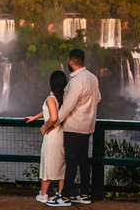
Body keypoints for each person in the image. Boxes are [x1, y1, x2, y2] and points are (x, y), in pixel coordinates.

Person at [44, 49, 101, 207]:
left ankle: (65, 197)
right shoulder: (92, 78)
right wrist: (86, 109)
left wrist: (51, 124)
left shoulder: (76, 81)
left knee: (70, 163)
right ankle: (84, 194)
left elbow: (67, 107)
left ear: (71, 61)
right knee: (83, 161)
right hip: (87, 126)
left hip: (74, 128)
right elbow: (98, 98)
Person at [25, 70, 68, 203]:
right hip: (61, 134)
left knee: (47, 163)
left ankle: (43, 194)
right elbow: (49, 112)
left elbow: (53, 117)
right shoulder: (62, 99)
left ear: (50, 84)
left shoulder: (50, 98)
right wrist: (36, 117)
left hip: (52, 135)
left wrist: (45, 127)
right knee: (61, 164)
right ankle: (61, 193)